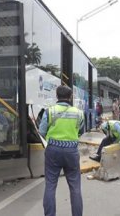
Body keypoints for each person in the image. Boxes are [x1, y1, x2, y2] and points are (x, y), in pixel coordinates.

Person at [39, 85, 84, 216]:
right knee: (75, 187)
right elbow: (81, 131)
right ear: (70, 97)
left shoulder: (49, 111)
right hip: (72, 151)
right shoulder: (79, 113)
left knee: (50, 185)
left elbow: (41, 131)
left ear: (57, 96)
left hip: (53, 150)